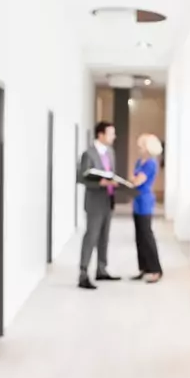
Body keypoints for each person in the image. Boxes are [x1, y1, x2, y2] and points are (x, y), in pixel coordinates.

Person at [77, 121, 121, 289]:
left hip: (108, 200)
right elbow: (81, 178)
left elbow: (111, 174)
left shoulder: (110, 152)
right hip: (94, 202)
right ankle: (83, 273)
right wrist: (100, 183)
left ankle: (102, 269)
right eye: (111, 133)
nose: (114, 137)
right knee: (91, 236)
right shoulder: (88, 154)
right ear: (101, 135)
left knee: (104, 237)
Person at [130, 133, 163, 283]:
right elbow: (134, 178)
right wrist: (135, 179)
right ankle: (144, 268)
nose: (139, 148)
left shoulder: (151, 163)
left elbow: (137, 180)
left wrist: (135, 180)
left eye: (141, 145)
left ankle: (156, 270)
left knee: (147, 235)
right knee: (139, 237)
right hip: (136, 200)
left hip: (145, 201)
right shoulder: (139, 161)